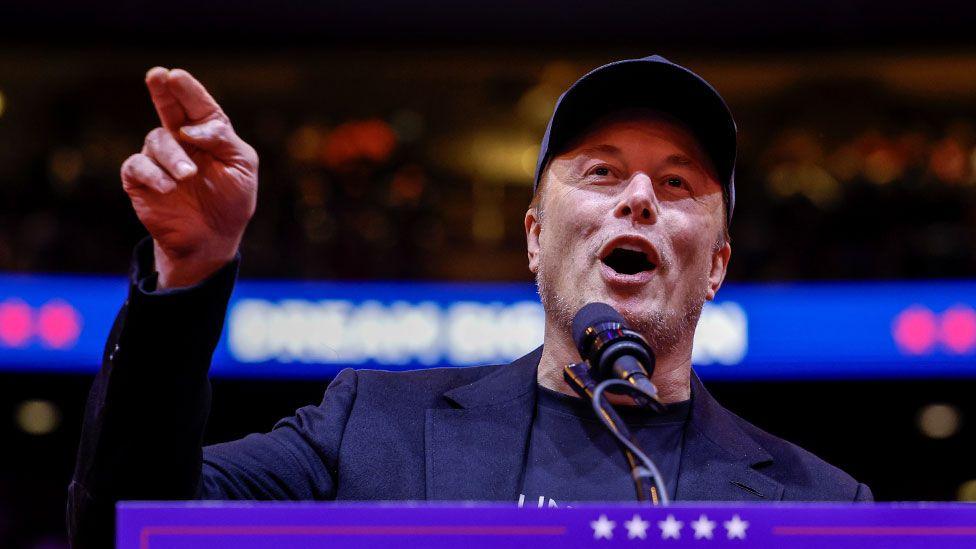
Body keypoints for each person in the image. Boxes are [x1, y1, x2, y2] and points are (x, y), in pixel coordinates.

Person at [67, 55, 872, 548]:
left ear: (718, 264)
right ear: (532, 236)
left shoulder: (824, 508)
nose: (638, 198)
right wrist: (191, 274)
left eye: (676, 182)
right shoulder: (372, 427)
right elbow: (128, 528)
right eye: (599, 171)